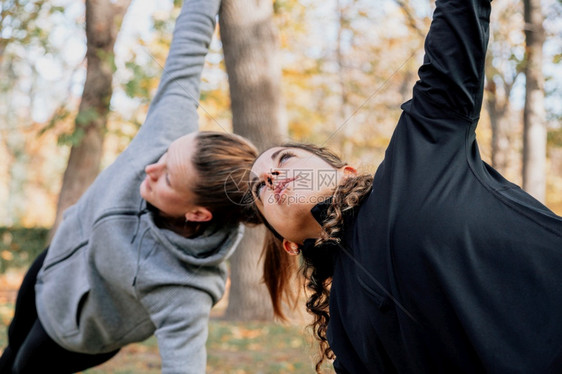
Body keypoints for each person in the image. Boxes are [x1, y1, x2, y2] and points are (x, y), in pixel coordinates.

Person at [251, 0, 562, 372]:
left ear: (346, 172)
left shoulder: (419, 151)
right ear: (288, 244)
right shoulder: (345, 334)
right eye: (260, 190)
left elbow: (457, 25)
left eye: (285, 159)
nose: (271, 177)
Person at [0, 0, 259, 373]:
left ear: (197, 213)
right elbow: (189, 45)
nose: (151, 169)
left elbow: (184, 365)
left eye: (167, 178)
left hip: (77, 333)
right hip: (52, 266)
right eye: (165, 156)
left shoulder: (185, 287)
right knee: (9, 348)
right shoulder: (169, 128)